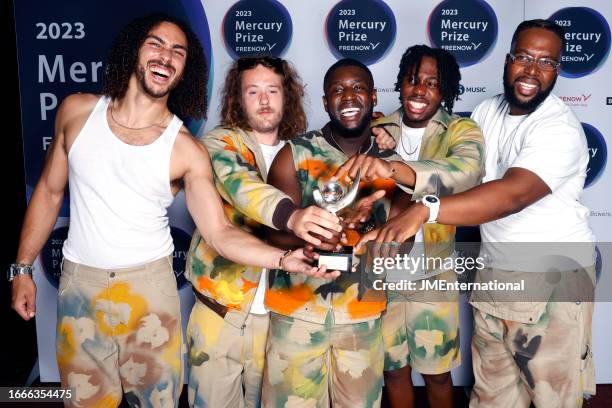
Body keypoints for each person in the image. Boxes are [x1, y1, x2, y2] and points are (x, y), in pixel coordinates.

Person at [9, 13, 325, 408]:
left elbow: (219, 233)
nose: (167, 56)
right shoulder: (76, 112)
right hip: (79, 288)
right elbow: (50, 192)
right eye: (157, 44)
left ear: (184, 70)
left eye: (179, 51)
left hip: (150, 291)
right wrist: (22, 268)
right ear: (133, 50)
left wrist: (284, 258)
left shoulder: (185, 149)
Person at [359, 20, 596, 407]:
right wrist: (376, 134)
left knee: (555, 397)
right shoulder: (488, 112)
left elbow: (511, 195)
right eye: (523, 57)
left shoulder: (560, 129)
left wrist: (424, 210)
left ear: (559, 69)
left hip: (551, 282)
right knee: (492, 397)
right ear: (507, 60)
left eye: (546, 62)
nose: (532, 70)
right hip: (493, 276)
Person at [185, 55, 343, 408]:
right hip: (219, 312)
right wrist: (293, 216)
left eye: (272, 90)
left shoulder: (306, 151)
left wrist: (379, 128)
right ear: (237, 99)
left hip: (281, 318)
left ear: (287, 96)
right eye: (252, 91)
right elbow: (243, 188)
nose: (264, 100)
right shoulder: (220, 144)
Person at [336, 44, 484, 408]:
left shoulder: (461, 131)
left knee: (437, 374)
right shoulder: (376, 127)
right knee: (393, 371)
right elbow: (348, 190)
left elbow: (464, 174)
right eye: (412, 80)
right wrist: (376, 144)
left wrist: (393, 167)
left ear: (446, 90)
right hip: (378, 276)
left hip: (432, 277)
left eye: (432, 83)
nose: (420, 90)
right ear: (400, 84)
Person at [260, 58, 402, 408]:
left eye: (357, 88)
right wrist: (316, 237)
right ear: (326, 102)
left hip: (362, 315)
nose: (348, 96)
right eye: (337, 90)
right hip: (297, 313)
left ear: (372, 97)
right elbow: (272, 236)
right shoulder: (294, 154)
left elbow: (403, 239)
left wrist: (372, 234)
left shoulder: (392, 164)